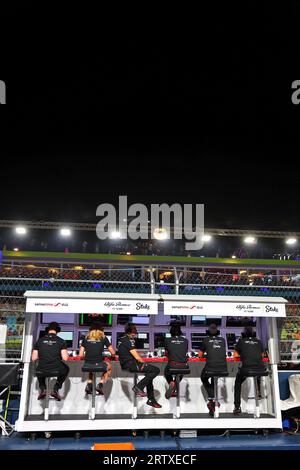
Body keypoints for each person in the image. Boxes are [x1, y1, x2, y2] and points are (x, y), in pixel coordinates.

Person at [117, 323, 162, 408]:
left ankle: (151, 399)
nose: (137, 330)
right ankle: (138, 387)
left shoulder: (122, 339)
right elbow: (136, 356)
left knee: (149, 375)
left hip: (127, 364)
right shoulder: (129, 340)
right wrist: (144, 363)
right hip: (131, 365)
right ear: (131, 330)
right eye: (135, 329)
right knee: (156, 370)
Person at [31, 322, 69, 401]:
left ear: (47, 330)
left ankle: (43, 389)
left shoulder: (39, 341)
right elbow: (65, 358)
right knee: (66, 369)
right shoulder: (61, 341)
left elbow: (34, 358)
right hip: (56, 369)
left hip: (42, 369)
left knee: (40, 369)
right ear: (57, 331)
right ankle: (55, 389)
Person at [233, 326, 265, 415]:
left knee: (238, 382)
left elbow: (235, 355)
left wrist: (244, 354)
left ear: (244, 333)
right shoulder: (259, 341)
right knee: (257, 375)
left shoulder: (241, 341)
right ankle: (258, 395)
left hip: (247, 369)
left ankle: (237, 407)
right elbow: (262, 356)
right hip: (260, 369)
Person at [198, 323, 227, 416]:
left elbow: (199, 355)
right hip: (223, 367)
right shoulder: (223, 340)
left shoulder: (206, 340)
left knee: (204, 377)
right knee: (215, 377)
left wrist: (207, 354)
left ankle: (211, 398)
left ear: (208, 332)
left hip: (211, 366)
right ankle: (213, 401)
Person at [79, 322, 115, 395]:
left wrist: (89, 354)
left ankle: (89, 385)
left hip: (87, 364)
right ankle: (100, 384)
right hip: (99, 363)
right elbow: (113, 353)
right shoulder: (103, 338)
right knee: (109, 367)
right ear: (102, 330)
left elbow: (80, 355)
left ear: (90, 330)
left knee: (91, 367)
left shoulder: (86, 338)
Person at [164, 323, 189, 399]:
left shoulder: (167, 340)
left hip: (173, 364)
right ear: (180, 331)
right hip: (184, 366)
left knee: (166, 371)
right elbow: (184, 352)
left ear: (171, 331)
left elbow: (166, 353)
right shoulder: (185, 340)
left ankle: (171, 382)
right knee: (181, 372)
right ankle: (175, 383)